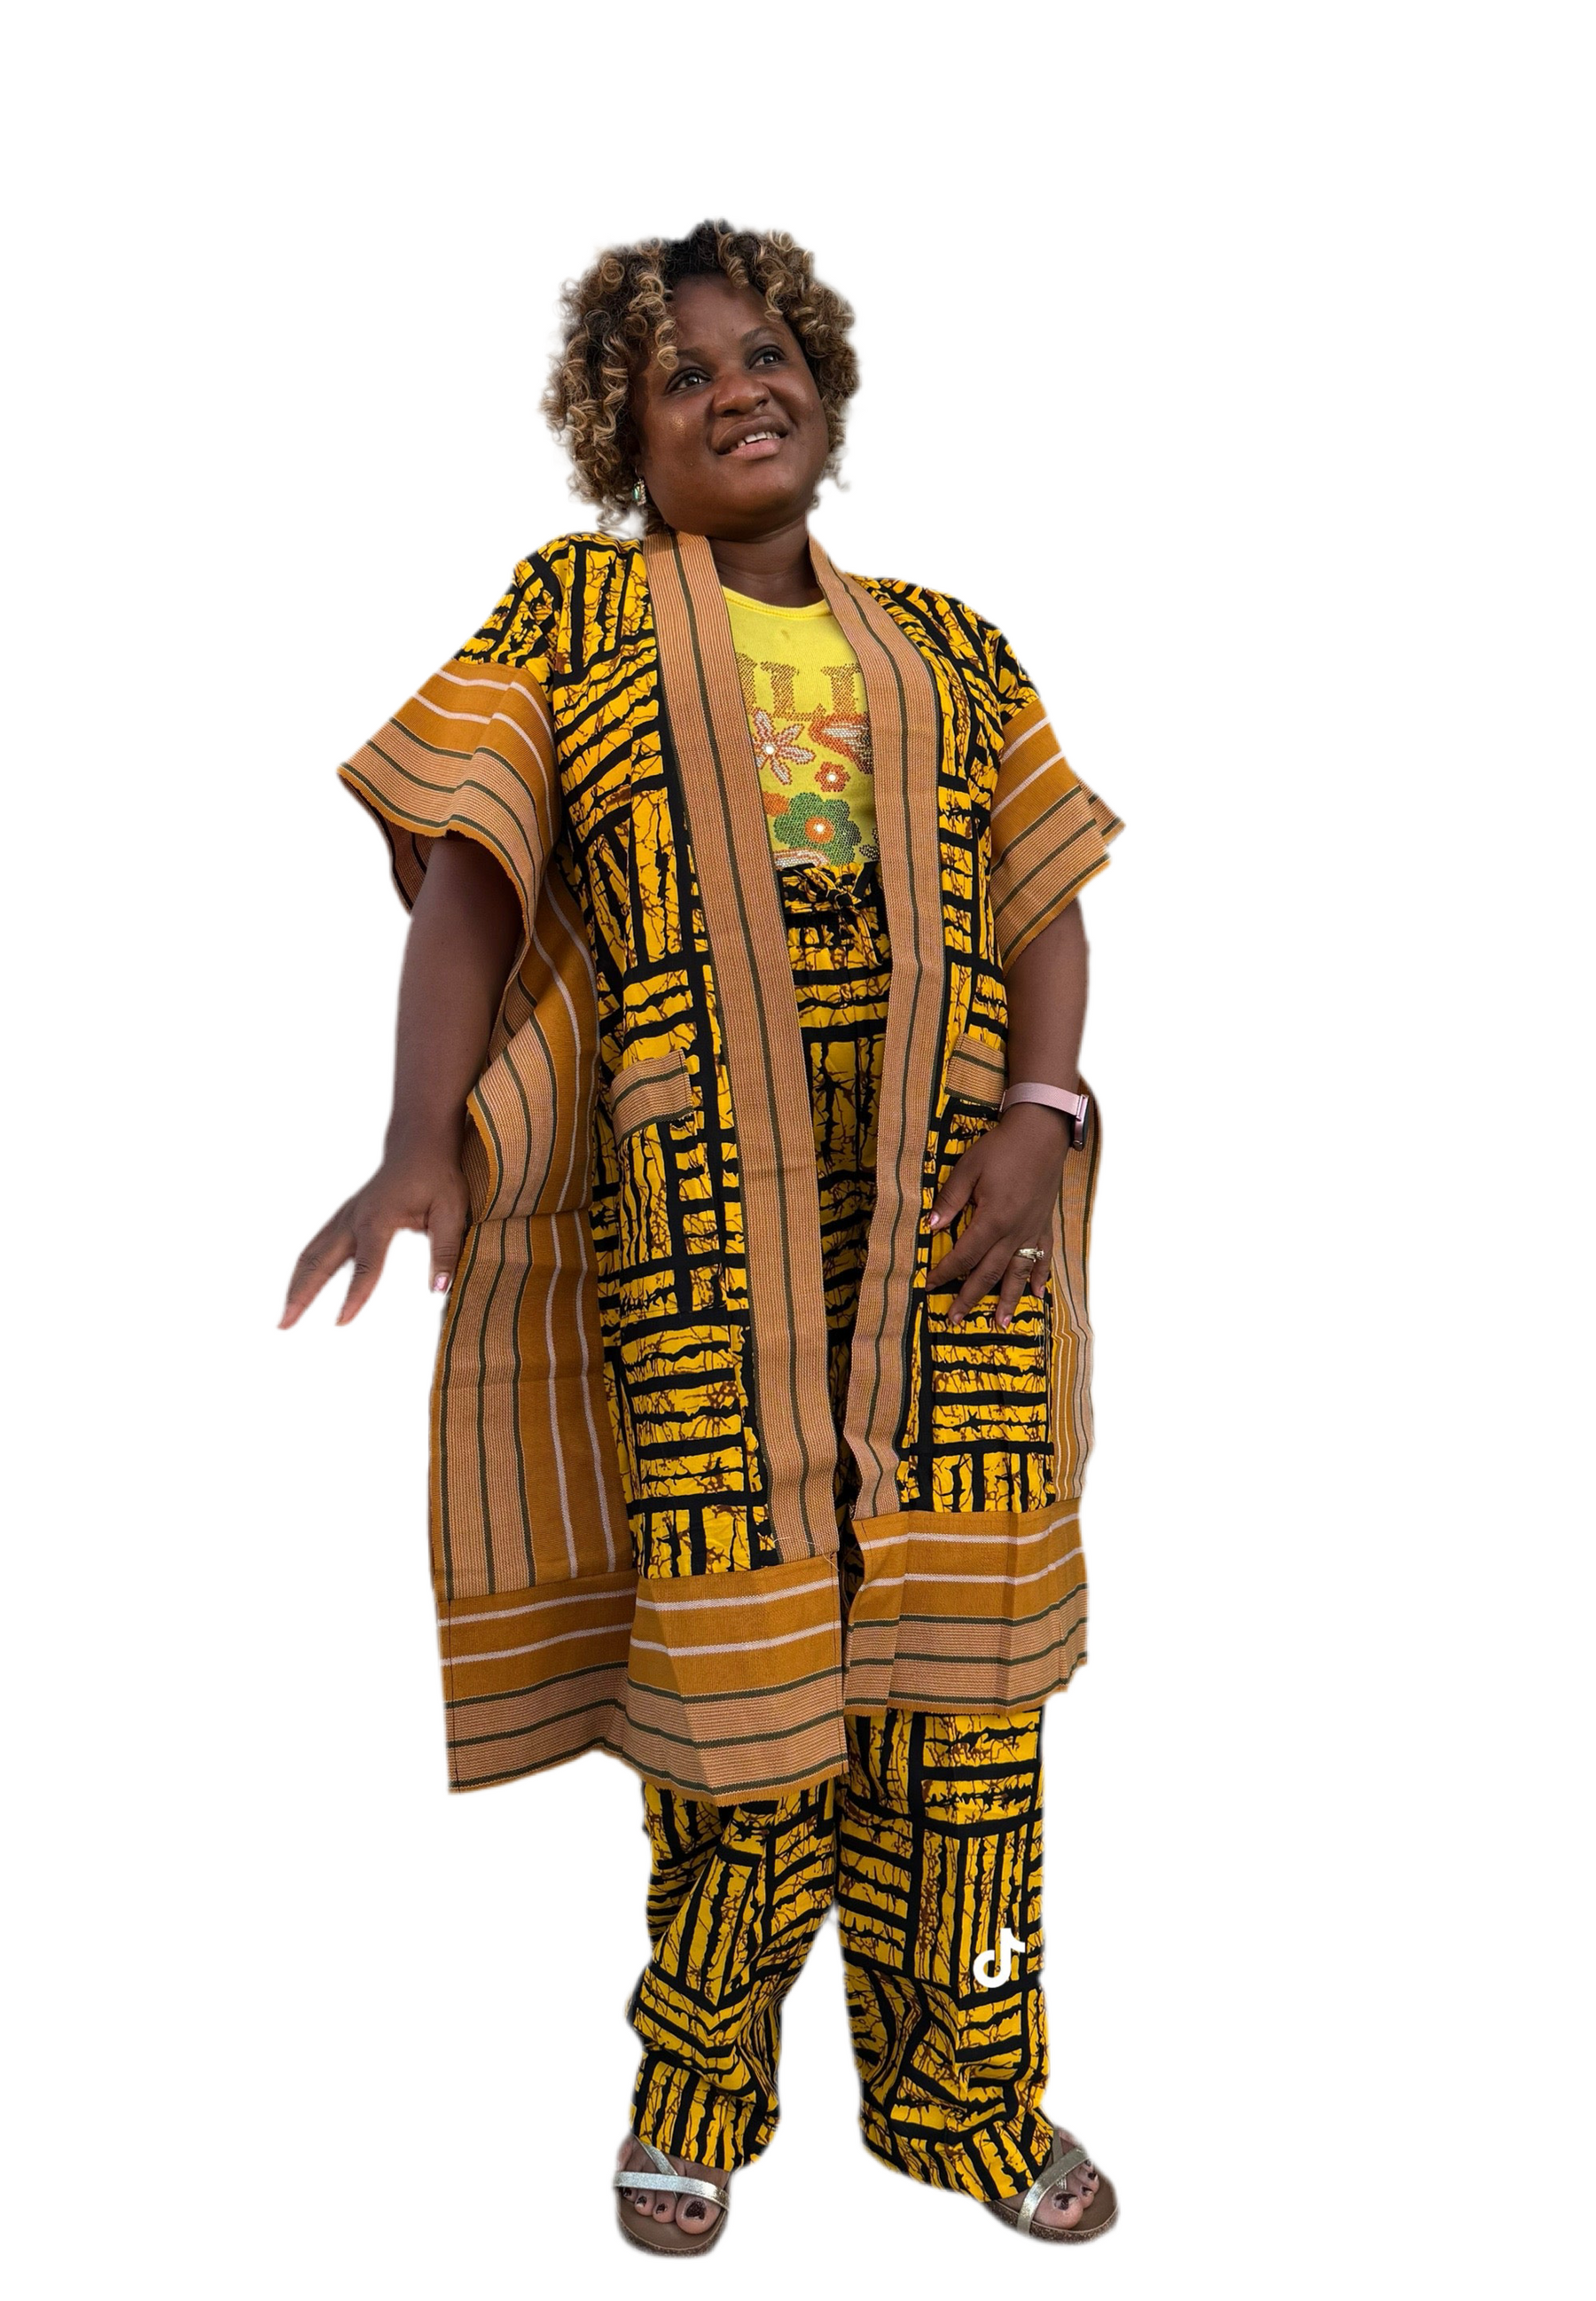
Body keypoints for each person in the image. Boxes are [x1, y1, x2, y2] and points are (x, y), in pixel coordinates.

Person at [281, 222, 1123, 2254]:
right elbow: (473, 876)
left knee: (967, 1707)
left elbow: (1041, 901)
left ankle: (966, 2091)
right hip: (703, 1240)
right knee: (737, 1712)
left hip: (956, 1235)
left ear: (823, 378)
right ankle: (699, 2090)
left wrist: (1041, 1112)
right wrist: (416, 1139)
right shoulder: (574, 618)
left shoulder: (951, 647)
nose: (739, 387)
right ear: (621, 435)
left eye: (768, 354)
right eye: (683, 373)